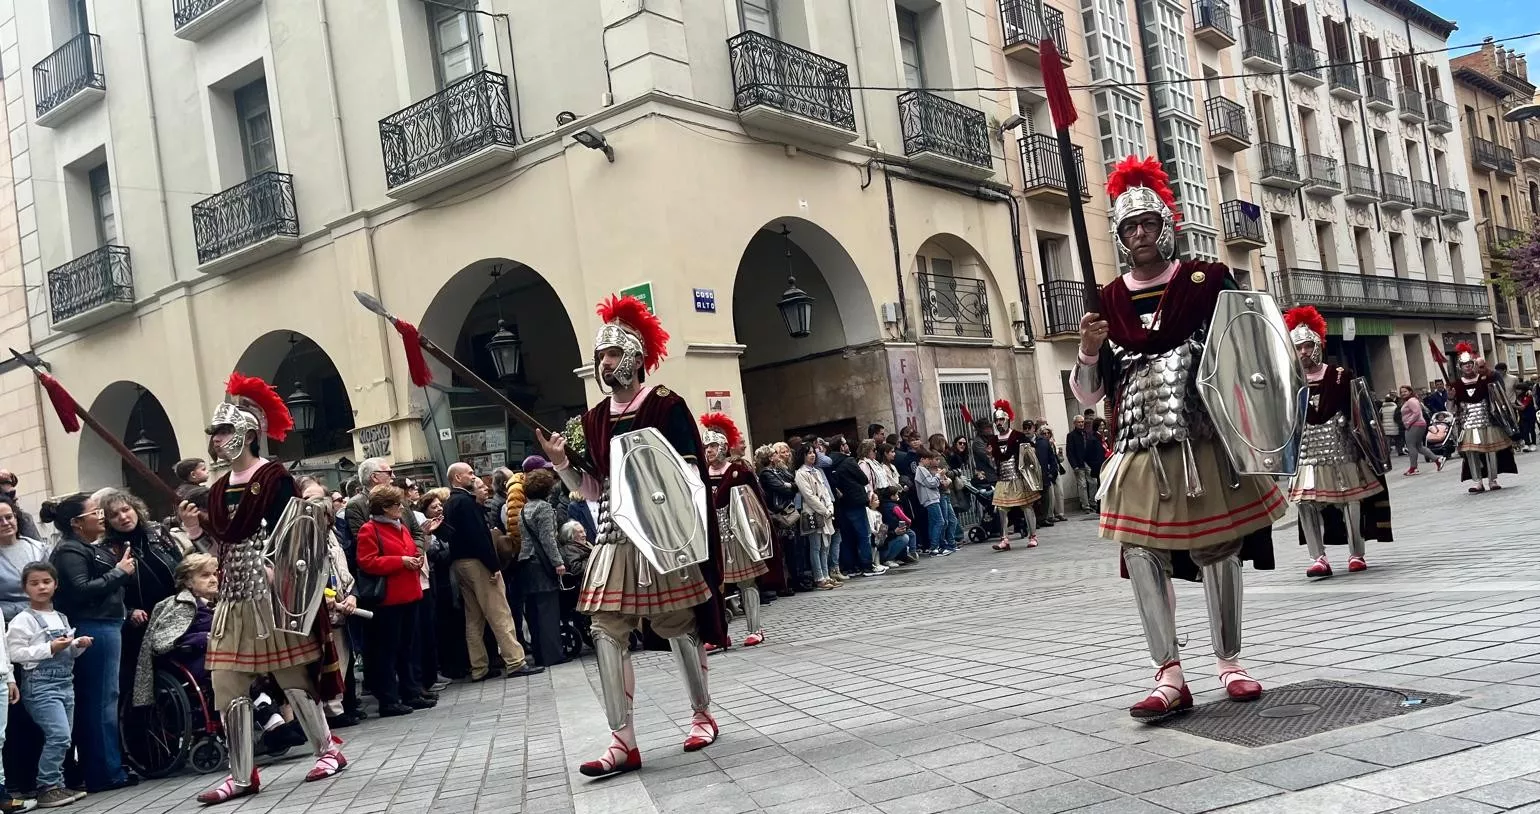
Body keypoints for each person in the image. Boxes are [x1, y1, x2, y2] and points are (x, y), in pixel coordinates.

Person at [1070, 156, 1286, 719]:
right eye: (1127, 228)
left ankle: (1230, 663)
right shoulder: (1107, 301)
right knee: (1142, 554)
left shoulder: (1207, 281)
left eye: (1146, 224)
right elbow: (1092, 396)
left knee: (1219, 550)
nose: (1138, 235)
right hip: (1140, 445)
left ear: (1167, 227)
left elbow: (1250, 356)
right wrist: (1090, 350)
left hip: (1205, 440)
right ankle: (1168, 675)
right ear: (1119, 237)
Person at [534, 294, 729, 777]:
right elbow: (592, 487)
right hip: (613, 535)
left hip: (662, 536)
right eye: (601, 356)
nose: (605, 363)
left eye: (613, 354)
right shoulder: (592, 421)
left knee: (677, 624)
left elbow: (686, 475)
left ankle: (703, 714)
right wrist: (561, 462)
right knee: (605, 630)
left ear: (637, 358)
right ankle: (622, 742)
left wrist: (684, 531)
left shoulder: (666, 405)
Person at [187, 373, 345, 804]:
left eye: (223, 431)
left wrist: (286, 576)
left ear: (246, 433)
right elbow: (222, 542)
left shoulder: (274, 477)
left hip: (271, 588)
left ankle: (327, 748)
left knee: (292, 676)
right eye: (215, 433)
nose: (217, 440)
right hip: (233, 592)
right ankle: (242, 774)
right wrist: (195, 531)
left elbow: (291, 531)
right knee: (226, 683)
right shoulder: (217, 489)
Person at [1284, 307, 1393, 578]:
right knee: (1306, 503)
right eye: (1298, 348)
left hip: (1342, 448)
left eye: (1308, 346)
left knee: (1351, 501)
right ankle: (1318, 557)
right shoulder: (1289, 381)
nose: (1303, 353)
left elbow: (1361, 412)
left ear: (1318, 346)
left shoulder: (1340, 375)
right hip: (1307, 452)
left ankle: (1356, 553)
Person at [46, 493, 134, 794]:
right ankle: (105, 771)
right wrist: (119, 572)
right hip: (93, 625)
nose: (100, 516)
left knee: (105, 698)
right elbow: (81, 590)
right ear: (76, 523)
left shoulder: (85, 547)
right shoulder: (70, 551)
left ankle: (108, 766)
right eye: (94, 512)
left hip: (107, 623)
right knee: (100, 701)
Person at [438, 463, 543, 682]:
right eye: (470, 474)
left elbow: (448, 534)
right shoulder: (466, 502)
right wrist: (494, 566)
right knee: (499, 612)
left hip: (460, 563)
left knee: (473, 618)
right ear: (458, 477)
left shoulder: (449, 503)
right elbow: (479, 537)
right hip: (478, 563)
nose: (474, 476)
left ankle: (479, 667)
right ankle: (515, 661)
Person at [7, 562, 91, 810]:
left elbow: (68, 654)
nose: (41, 587)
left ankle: (58, 783)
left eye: (46, 581)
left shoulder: (61, 617)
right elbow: (15, 652)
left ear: (56, 584)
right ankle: (46, 786)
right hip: (40, 686)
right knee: (58, 735)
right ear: (25, 589)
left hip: (66, 683)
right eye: (34, 583)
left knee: (65, 739)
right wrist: (49, 648)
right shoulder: (23, 619)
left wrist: (78, 645)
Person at [699, 413, 772, 653]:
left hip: (737, 534)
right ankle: (720, 635)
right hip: (712, 536)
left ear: (722, 447)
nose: (708, 450)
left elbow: (754, 504)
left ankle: (755, 629)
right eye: (706, 446)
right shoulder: (700, 474)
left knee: (746, 582)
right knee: (716, 586)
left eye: (712, 445)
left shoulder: (739, 472)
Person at [356, 485, 430, 717]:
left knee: (407, 647)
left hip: (409, 593)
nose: (401, 508)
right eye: (397, 505)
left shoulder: (400, 526)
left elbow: (410, 548)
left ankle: (411, 691)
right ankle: (388, 699)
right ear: (385, 508)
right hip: (389, 599)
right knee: (387, 651)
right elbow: (367, 561)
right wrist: (400, 561)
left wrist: (415, 558)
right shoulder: (369, 530)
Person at [131, 553, 219, 710]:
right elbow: (162, 641)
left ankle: (270, 718)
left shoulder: (221, 604)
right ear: (188, 582)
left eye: (214, 574)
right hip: (192, 660)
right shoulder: (177, 605)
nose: (213, 579)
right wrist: (205, 638)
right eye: (205, 575)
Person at [1448, 343, 1519, 493]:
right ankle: (1478, 482)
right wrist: (1450, 398)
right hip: (1468, 424)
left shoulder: (1487, 380)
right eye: (1464, 364)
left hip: (1488, 421)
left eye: (1469, 364)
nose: (1467, 367)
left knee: (1490, 451)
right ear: (1460, 367)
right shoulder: (1456, 385)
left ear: (1474, 365)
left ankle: (1492, 480)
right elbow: (1450, 410)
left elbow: (1498, 401)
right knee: (1471, 453)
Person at [516, 469, 567, 667]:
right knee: (548, 610)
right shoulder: (544, 508)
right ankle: (553, 654)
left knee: (534, 612)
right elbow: (548, 539)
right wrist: (558, 562)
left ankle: (539, 653)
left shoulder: (524, 508)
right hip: (541, 563)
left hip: (526, 562)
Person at [985, 400, 1040, 551]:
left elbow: (1031, 453)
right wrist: (990, 453)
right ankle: (1004, 539)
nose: (999, 422)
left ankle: (1033, 536)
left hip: (1019, 477)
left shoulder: (1018, 436)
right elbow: (995, 459)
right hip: (1003, 479)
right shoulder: (993, 440)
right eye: (996, 420)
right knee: (1001, 508)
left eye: (1001, 419)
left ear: (1008, 419)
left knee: (1027, 507)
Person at [793, 442, 838, 589]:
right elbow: (809, 496)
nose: (812, 455)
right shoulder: (800, 473)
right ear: (802, 456)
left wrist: (830, 507)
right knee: (816, 546)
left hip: (825, 512)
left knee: (826, 545)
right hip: (813, 513)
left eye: (813, 452)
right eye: (808, 453)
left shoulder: (816, 471)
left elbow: (825, 491)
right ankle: (819, 577)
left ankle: (826, 575)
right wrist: (824, 510)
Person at [1400, 385, 1439, 474]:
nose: (1403, 393)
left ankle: (1413, 468)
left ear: (1410, 391)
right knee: (1419, 447)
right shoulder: (1412, 400)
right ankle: (1437, 460)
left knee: (1411, 446)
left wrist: (1408, 423)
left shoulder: (1411, 401)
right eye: (1401, 392)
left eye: (1405, 391)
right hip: (1417, 424)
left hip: (1414, 425)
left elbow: (1416, 413)